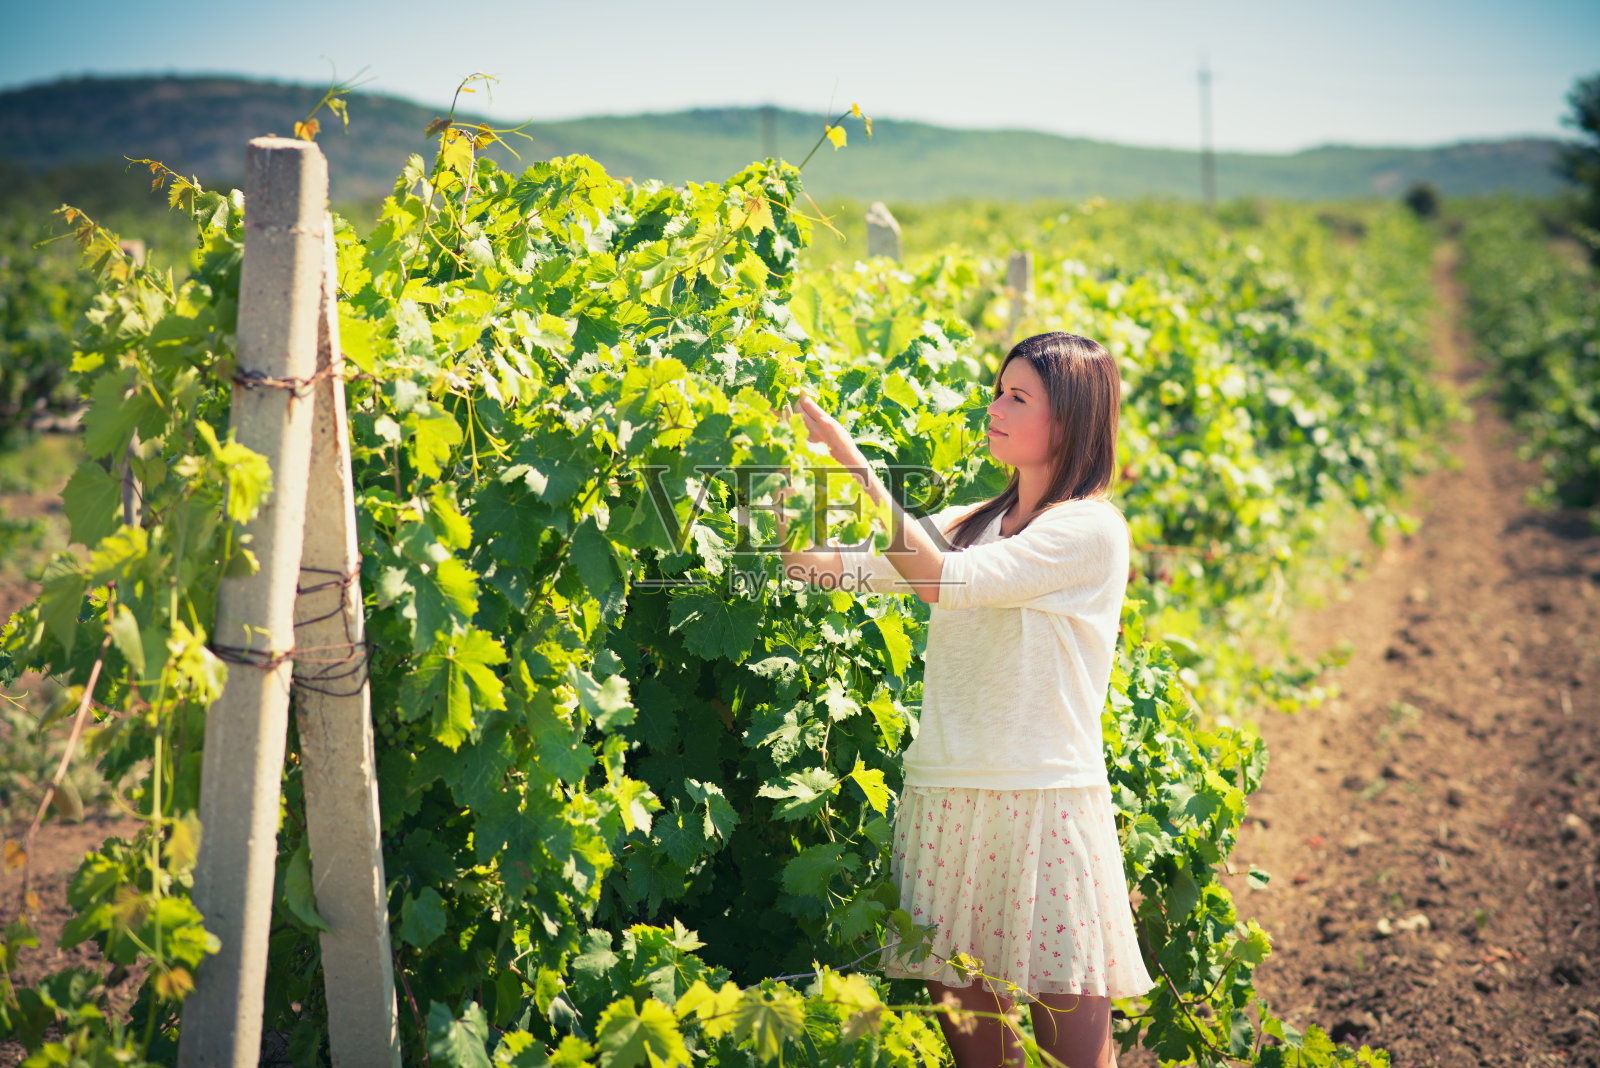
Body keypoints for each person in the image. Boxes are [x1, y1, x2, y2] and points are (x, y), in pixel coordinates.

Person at [775, 332, 1155, 1068]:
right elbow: (821, 569)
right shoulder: (972, 523)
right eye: (997, 390)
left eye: (1019, 397)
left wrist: (852, 465)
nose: (996, 407)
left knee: (1075, 1060)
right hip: (948, 803)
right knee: (983, 1062)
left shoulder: (1088, 531)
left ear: (1071, 419)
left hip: (1043, 809)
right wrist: (780, 487)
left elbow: (942, 580)